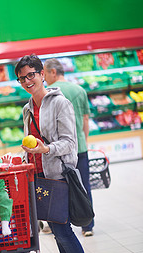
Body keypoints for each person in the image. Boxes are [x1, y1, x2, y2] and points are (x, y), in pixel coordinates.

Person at [15, 54, 96, 253]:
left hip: (59, 175)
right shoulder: (27, 109)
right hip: (39, 177)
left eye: (31, 74)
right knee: (57, 231)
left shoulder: (60, 103)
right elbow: (30, 143)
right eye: (22, 78)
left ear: (42, 74)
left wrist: (45, 149)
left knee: (63, 232)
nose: (28, 80)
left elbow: (69, 143)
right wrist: (23, 158)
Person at [44, 58, 94, 237]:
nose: (44, 78)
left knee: (56, 187)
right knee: (83, 185)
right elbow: (86, 120)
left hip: (58, 150)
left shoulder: (49, 93)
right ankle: (87, 225)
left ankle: (55, 224)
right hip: (79, 146)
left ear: (53, 72)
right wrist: (83, 141)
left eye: (45, 73)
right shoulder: (79, 90)